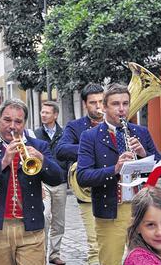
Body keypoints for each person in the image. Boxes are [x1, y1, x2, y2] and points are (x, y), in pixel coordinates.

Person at [0, 98, 64, 265]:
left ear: (24, 123)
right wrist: (3, 162)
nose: (12, 126)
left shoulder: (38, 146)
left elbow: (57, 178)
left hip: (31, 226)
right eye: (7, 120)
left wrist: (41, 159)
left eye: (18, 121)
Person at [77, 83, 161, 265]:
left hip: (143, 209)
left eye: (125, 103)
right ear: (105, 107)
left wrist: (144, 155)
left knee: (147, 260)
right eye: (115, 104)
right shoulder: (90, 136)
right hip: (111, 211)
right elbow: (83, 176)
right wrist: (115, 169)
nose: (121, 109)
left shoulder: (141, 132)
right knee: (111, 261)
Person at [54, 83, 105, 265]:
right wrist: (91, 147)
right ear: (85, 104)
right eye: (93, 103)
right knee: (94, 243)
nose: (98, 106)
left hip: (115, 189)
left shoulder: (117, 123)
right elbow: (61, 150)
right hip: (88, 191)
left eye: (101, 101)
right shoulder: (75, 126)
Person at [34, 101, 68, 265]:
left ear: (55, 115)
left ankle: (54, 254)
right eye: (42, 112)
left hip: (60, 182)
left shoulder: (64, 133)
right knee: (45, 216)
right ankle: (42, 253)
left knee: (59, 221)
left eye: (47, 112)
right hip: (43, 182)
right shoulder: (35, 134)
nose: (43, 115)